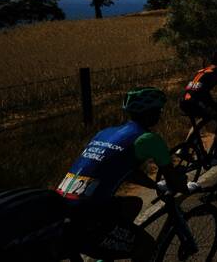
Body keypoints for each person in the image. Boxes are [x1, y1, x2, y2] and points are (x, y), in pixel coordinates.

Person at [57, 87, 190, 261]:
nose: (160, 114)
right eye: (159, 110)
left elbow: (125, 171)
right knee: (147, 247)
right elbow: (174, 181)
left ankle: (111, 245)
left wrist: (154, 185)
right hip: (88, 216)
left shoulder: (104, 133)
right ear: (149, 113)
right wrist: (187, 187)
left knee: (133, 204)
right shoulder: (149, 139)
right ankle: (109, 241)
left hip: (61, 205)